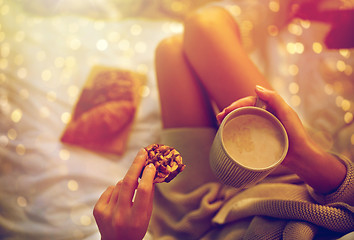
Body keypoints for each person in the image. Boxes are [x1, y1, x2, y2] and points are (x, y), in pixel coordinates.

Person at [93, 2, 354, 240]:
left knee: (171, 48)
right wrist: (305, 156)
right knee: (200, 27)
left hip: (195, 222)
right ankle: (279, 10)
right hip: (297, 180)